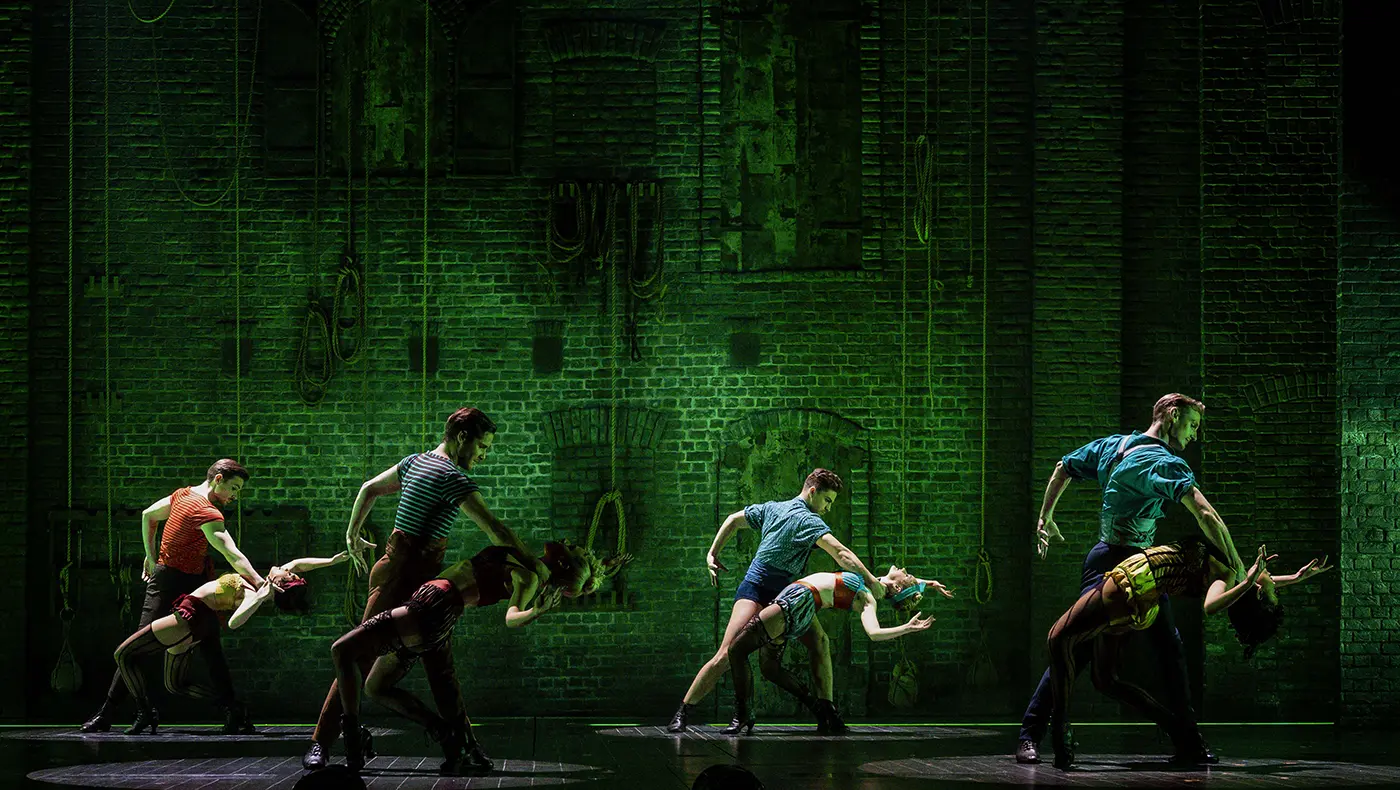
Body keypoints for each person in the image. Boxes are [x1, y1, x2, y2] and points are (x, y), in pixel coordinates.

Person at [303, 408, 545, 770]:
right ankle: (322, 741)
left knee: (438, 665)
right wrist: (536, 565)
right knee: (362, 657)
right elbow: (497, 531)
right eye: (483, 446)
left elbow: (368, 489)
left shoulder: (414, 462)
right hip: (400, 576)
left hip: (425, 584)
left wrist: (353, 534)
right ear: (462, 437)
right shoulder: (450, 475)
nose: (484, 455)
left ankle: (462, 746)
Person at [1016, 394, 1246, 765]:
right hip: (1123, 563)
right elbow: (1207, 515)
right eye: (1191, 425)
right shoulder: (1164, 463)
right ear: (1172, 416)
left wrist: (1045, 517)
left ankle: (1188, 739)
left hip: (1133, 563)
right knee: (1081, 647)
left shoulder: (1114, 446)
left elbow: (1063, 467)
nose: (1193, 436)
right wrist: (1235, 563)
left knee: (1155, 651)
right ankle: (1031, 733)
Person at [329, 540, 630, 774]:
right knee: (375, 687)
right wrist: (605, 564)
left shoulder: (529, 578)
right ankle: (444, 732)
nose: (568, 539)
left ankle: (353, 739)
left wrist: (535, 612)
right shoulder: (528, 563)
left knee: (342, 650)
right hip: (435, 613)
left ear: (563, 560)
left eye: (573, 546)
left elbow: (511, 617)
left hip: (432, 606)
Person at [1047, 541, 1331, 769]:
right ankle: (1175, 727)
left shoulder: (1228, 575)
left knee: (1058, 637)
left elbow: (1210, 605)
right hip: (1144, 597)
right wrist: (1294, 578)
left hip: (1135, 583)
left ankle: (1059, 729)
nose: (1271, 585)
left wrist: (1248, 583)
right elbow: (1257, 588)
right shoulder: (1238, 575)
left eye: (1270, 592)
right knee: (1105, 679)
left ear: (1256, 592)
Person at [667, 469, 883, 735]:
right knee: (727, 653)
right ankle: (683, 711)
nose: (828, 508)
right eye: (827, 501)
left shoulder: (772, 508)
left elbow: (734, 520)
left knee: (818, 642)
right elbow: (841, 553)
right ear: (812, 492)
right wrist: (872, 581)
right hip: (757, 589)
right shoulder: (807, 520)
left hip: (786, 595)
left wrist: (712, 554)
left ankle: (826, 713)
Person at [82, 459, 265, 735]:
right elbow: (231, 553)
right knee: (138, 646)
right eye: (233, 488)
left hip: (194, 582)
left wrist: (150, 555)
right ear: (217, 479)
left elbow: (148, 515)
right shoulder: (205, 510)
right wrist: (259, 582)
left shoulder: (182, 495)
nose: (235, 496)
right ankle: (109, 713)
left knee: (210, 646)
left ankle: (233, 710)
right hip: (169, 581)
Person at [110, 551, 356, 735]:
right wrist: (333, 561)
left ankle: (144, 712)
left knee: (124, 654)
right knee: (175, 684)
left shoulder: (253, 592)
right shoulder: (261, 581)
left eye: (288, 574)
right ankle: (233, 707)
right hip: (197, 622)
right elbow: (301, 563)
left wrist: (259, 598)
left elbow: (234, 623)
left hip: (190, 617)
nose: (288, 568)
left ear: (279, 585)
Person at [722, 565, 948, 734]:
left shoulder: (868, 597)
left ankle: (742, 714)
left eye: (906, 575)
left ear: (897, 586)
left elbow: (874, 633)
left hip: (798, 601)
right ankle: (821, 709)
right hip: (799, 601)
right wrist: (928, 583)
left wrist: (907, 628)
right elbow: (903, 587)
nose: (906, 569)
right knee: (769, 668)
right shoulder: (874, 585)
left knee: (736, 650)